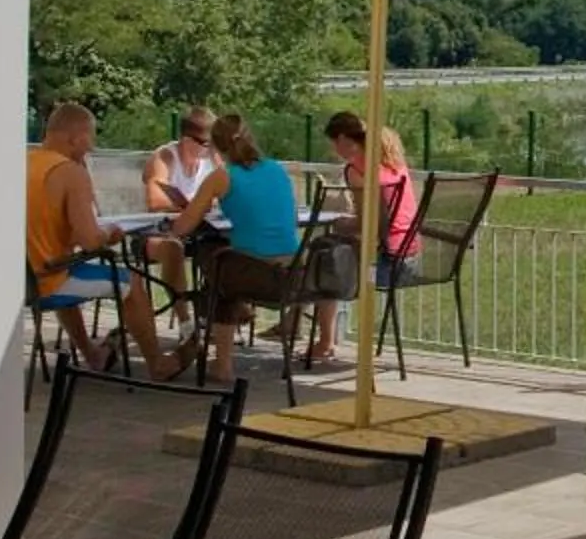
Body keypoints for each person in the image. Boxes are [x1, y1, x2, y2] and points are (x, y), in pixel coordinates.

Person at [156, 113, 304, 386]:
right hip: (295, 271)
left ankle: (221, 361)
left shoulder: (221, 177)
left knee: (216, 271)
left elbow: (186, 225)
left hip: (259, 272)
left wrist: (168, 227)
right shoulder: (276, 169)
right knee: (225, 265)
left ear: (216, 147)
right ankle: (232, 318)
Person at [24, 101, 172, 374]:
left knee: (74, 270)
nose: (91, 147)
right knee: (132, 282)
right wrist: (110, 234)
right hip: (49, 279)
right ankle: (157, 363)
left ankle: (92, 354)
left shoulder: (24, 161)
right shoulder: (70, 172)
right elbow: (90, 240)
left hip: (23, 281)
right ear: (76, 137)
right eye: (90, 138)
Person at [318, 111, 420, 371]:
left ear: (342, 139)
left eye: (334, 142)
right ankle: (295, 326)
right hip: (411, 260)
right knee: (331, 257)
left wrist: (340, 222)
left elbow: (368, 221)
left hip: (384, 265)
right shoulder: (393, 163)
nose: (334, 149)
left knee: (323, 263)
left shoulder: (357, 169)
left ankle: (324, 342)